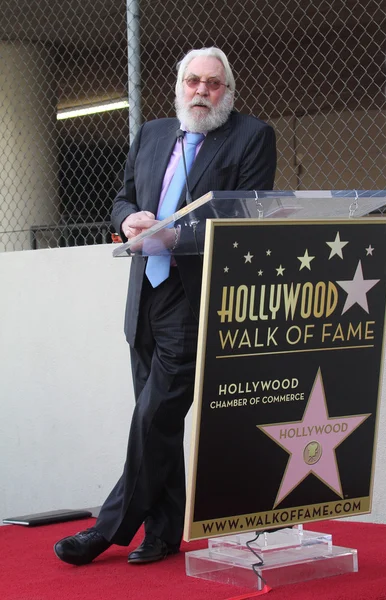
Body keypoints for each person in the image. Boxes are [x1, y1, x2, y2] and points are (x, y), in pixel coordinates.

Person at [54, 47, 277, 566]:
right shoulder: (153, 134)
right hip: (144, 295)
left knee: (154, 417)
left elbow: (245, 213)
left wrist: (179, 236)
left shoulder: (251, 136)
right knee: (158, 422)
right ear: (179, 87)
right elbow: (121, 198)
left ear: (228, 90)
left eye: (213, 84)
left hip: (193, 295)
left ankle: (108, 530)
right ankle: (162, 534)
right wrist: (131, 218)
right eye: (193, 81)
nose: (202, 91)